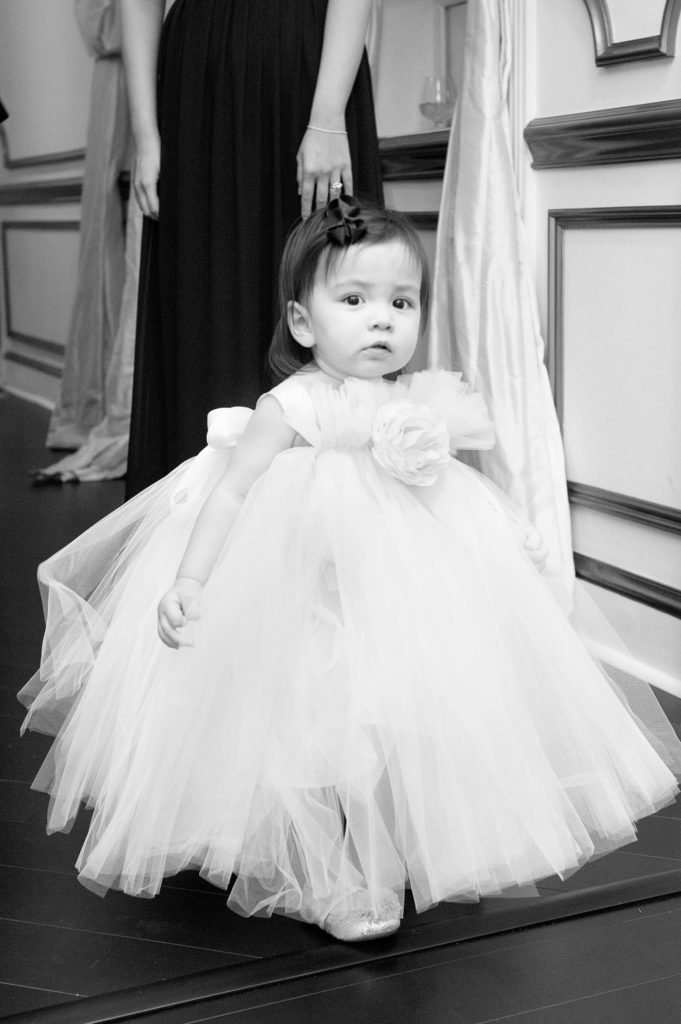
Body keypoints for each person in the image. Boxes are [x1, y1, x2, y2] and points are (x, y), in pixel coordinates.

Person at [20, 200, 681, 943]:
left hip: (389, 597)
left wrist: (508, 531)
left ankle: (380, 854)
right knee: (310, 728)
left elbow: (445, 486)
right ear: (303, 323)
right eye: (356, 300)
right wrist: (191, 580)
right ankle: (325, 873)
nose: (382, 321)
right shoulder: (289, 405)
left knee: (387, 719)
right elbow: (231, 492)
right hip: (298, 594)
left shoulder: (412, 401)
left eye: (402, 302)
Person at [121, 0, 384, 497]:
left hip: (306, 64)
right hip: (197, 80)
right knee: (204, 298)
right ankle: (204, 520)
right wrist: (145, 133)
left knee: (328, 283)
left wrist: (328, 116)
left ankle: (329, 520)